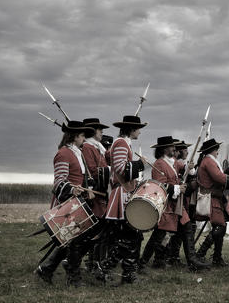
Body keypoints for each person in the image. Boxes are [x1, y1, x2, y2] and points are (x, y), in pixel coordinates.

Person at [35, 120, 96, 287]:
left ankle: (46, 269)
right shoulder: (63, 153)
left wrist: (88, 188)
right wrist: (72, 189)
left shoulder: (79, 153)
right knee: (74, 241)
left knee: (71, 241)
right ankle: (73, 278)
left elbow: (83, 178)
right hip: (67, 204)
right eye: (83, 135)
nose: (84, 138)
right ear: (75, 136)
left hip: (78, 203)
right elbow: (59, 182)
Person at [140, 136, 209, 271]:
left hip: (177, 204)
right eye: (172, 147)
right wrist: (177, 188)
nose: (174, 149)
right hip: (167, 205)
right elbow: (160, 186)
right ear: (165, 149)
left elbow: (186, 170)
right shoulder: (159, 164)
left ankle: (192, 261)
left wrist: (190, 167)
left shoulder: (173, 162)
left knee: (188, 227)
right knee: (158, 236)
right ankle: (142, 263)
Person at [105, 115, 147, 284]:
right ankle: (105, 267)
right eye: (138, 129)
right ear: (131, 129)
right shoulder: (122, 143)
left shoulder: (122, 142)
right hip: (120, 193)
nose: (140, 132)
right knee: (128, 237)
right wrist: (140, 164)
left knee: (132, 236)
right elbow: (122, 170)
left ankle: (128, 274)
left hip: (125, 193)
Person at [195, 138, 229, 266]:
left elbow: (220, 175)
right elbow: (219, 177)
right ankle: (200, 254)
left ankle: (216, 258)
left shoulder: (209, 160)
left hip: (215, 197)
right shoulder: (209, 161)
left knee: (219, 227)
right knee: (220, 227)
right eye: (217, 150)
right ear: (213, 150)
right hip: (212, 197)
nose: (218, 152)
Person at [81, 118, 112, 280]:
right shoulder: (87, 147)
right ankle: (94, 264)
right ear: (93, 131)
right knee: (96, 233)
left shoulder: (97, 147)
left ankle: (94, 263)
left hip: (101, 194)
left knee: (100, 232)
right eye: (99, 129)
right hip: (94, 195)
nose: (102, 132)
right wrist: (110, 170)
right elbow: (92, 171)